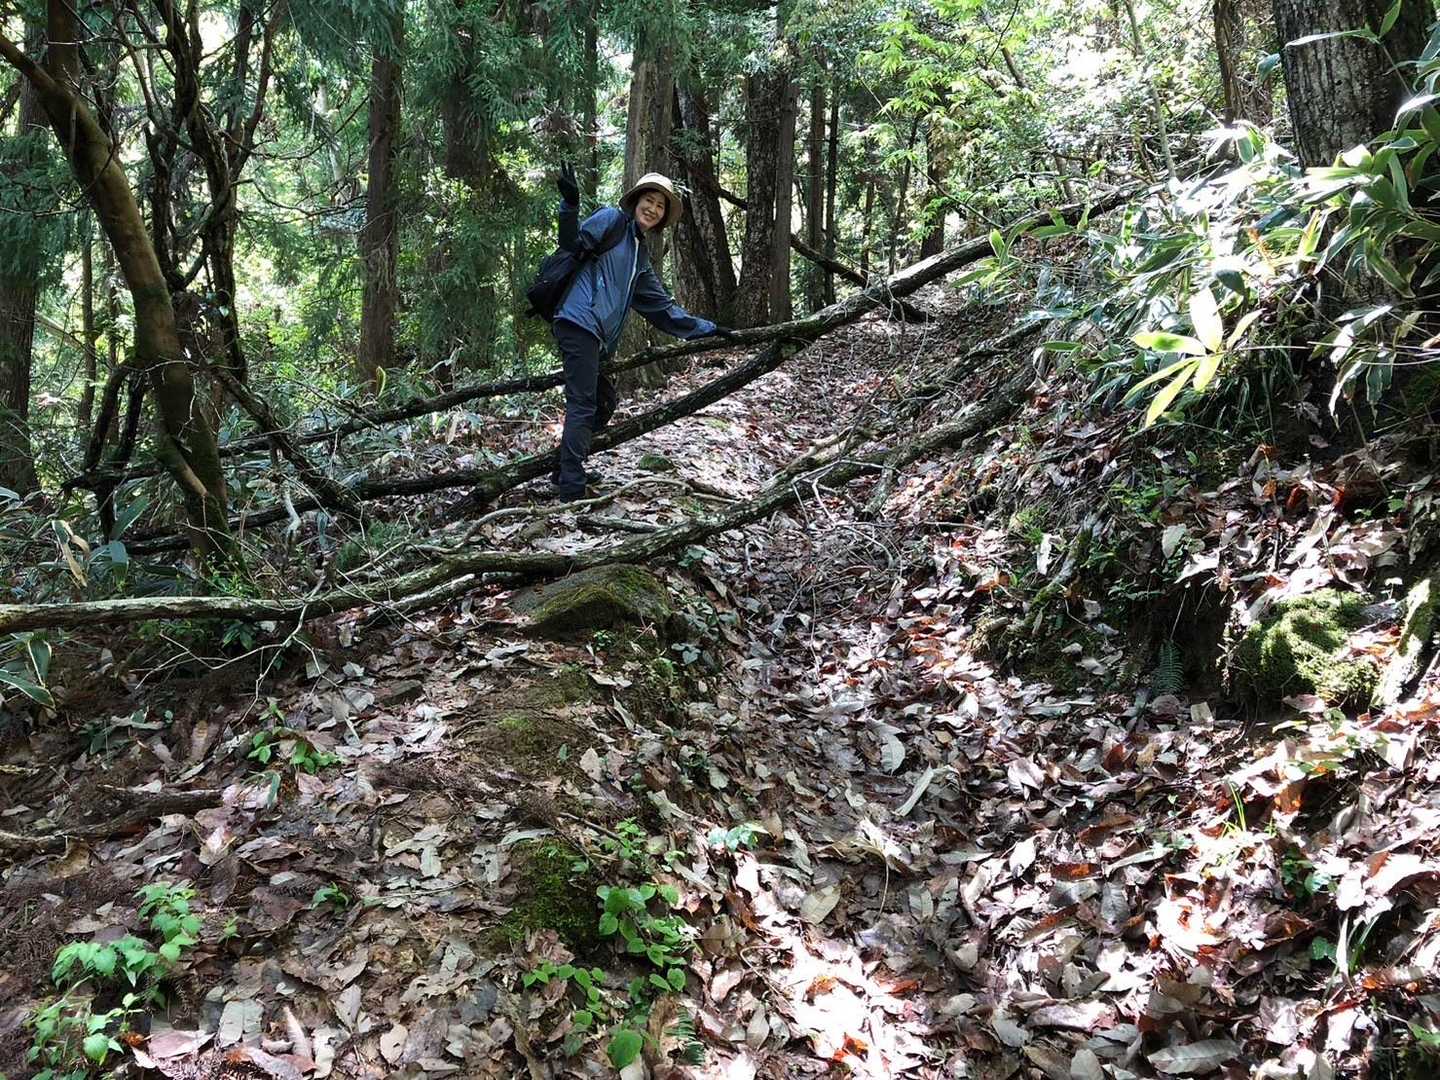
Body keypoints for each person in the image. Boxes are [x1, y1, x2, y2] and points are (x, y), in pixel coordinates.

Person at [548, 165, 735, 502]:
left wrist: (709, 329)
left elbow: (662, 309)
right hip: (578, 321)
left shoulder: (640, 254)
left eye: (660, 206)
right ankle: (571, 489)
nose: (653, 209)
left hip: (597, 336)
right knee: (583, 403)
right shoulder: (610, 220)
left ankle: (564, 468)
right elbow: (571, 244)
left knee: (604, 403)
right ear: (635, 201)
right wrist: (570, 205)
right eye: (649, 200)